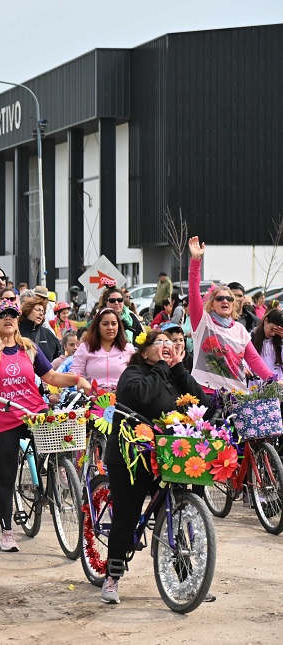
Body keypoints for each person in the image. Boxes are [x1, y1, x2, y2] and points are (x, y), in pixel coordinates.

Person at [0, 299, 90, 553]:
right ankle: (6, 531)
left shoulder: (29, 348)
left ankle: (53, 477)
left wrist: (77, 379)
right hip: (2, 417)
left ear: (17, 321)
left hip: (34, 413)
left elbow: (51, 377)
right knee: (6, 476)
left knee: (61, 440)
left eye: (12, 315)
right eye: (2, 315)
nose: (8, 318)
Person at [100, 329, 203, 604]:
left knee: (176, 516)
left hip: (168, 455)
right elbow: (141, 397)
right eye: (161, 343)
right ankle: (112, 577)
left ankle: (187, 580)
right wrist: (160, 367)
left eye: (172, 343)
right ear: (144, 351)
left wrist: (178, 369)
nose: (168, 346)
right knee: (127, 515)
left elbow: (200, 402)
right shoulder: (133, 374)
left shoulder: (172, 376)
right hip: (131, 456)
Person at [187, 237, 273, 391]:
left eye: (229, 298)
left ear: (233, 304)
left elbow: (254, 359)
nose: (224, 301)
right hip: (206, 392)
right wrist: (196, 260)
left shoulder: (240, 330)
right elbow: (193, 292)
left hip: (236, 394)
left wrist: (274, 380)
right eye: (220, 298)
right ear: (212, 304)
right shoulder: (202, 322)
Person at [73, 308, 134, 391]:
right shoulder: (85, 347)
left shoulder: (128, 348)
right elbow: (75, 373)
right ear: (98, 327)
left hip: (121, 399)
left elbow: (135, 375)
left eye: (114, 324)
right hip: (92, 398)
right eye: (105, 324)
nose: (110, 327)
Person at [19, 292, 62, 365]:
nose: (41, 313)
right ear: (28, 311)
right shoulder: (16, 332)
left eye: (43, 311)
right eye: (38, 310)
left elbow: (59, 357)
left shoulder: (48, 334)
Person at [253, 309, 283, 377]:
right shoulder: (251, 338)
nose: (273, 334)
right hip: (257, 383)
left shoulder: (279, 341)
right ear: (266, 320)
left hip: (278, 383)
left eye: (277, 331)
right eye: (272, 329)